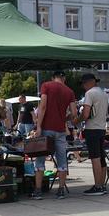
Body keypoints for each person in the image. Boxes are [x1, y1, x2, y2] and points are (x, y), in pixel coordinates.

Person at [33, 71, 77, 200]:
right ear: (64, 78)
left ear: (53, 78)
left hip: (46, 128)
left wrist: (39, 126)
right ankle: (61, 190)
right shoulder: (69, 91)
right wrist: (63, 118)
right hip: (60, 130)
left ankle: (38, 191)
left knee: (40, 160)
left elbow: (43, 106)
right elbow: (74, 113)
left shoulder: (46, 85)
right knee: (62, 161)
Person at [78, 73, 109, 196]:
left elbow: (85, 114)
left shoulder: (89, 94)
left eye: (84, 84)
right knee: (101, 158)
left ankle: (97, 186)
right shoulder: (104, 94)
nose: (83, 86)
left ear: (89, 82)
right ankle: (102, 185)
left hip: (92, 129)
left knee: (95, 158)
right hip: (101, 128)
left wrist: (76, 120)